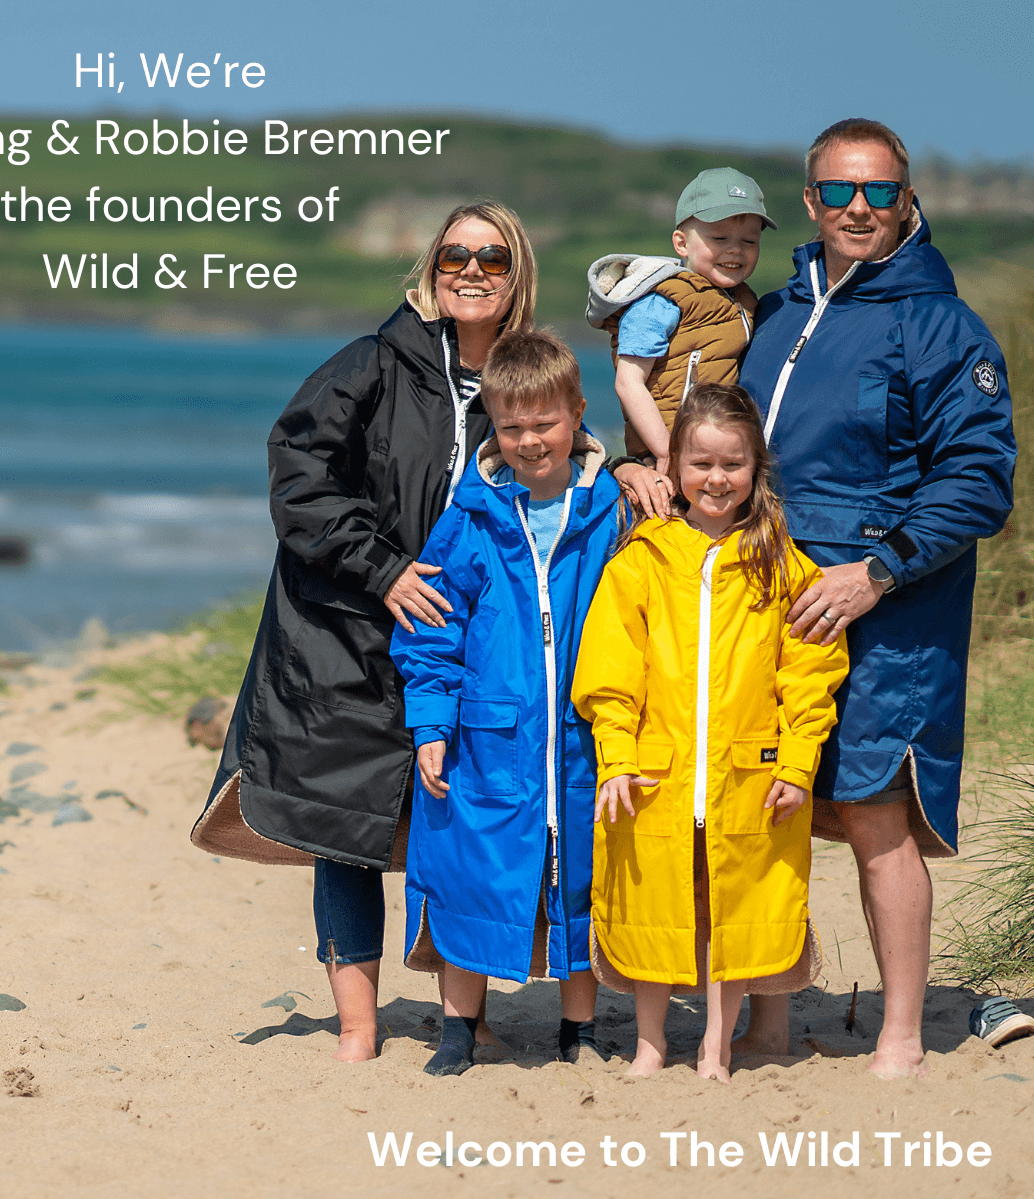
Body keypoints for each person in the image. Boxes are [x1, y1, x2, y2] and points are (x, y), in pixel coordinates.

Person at [191, 202, 539, 1062]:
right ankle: (357, 1027)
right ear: (429, 269)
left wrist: (632, 471)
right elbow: (299, 478)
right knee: (341, 828)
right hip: (342, 629)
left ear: (516, 275)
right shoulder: (370, 366)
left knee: (462, 822)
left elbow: (562, 470)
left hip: (467, 640)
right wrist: (384, 572)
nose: (471, 269)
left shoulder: (528, 381)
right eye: (455, 253)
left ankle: (468, 1014)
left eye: (491, 257)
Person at [735, 118, 1016, 1077]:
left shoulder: (943, 324)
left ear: (907, 200)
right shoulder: (774, 311)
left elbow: (979, 480)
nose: (861, 208)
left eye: (880, 192)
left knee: (872, 810)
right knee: (773, 804)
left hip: (890, 608)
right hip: (769, 601)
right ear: (811, 201)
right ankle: (770, 1022)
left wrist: (877, 573)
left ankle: (901, 1032)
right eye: (841, 192)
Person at [572, 383, 849, 1081]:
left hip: (748, 775)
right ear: (675, 469)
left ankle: (716, 1047)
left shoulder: (783, 565)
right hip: (654, 775)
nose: (717, 479)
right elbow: (610, 675)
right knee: (655, 904)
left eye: (733, 464)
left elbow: (810, 674)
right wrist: (617, 759)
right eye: (700, 464)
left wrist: (795, 763)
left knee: (735, 903)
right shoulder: (642, 560)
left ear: (756, 468)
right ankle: (651, 1043)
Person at [391, 328, 621, 1076]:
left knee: (580, 873)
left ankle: (578, 1030)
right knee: (471, 872)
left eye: (544, 424)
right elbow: (433, 629)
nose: (528, 441)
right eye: (511, 427)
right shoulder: (472, 517)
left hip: (586, 736)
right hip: (487, 738)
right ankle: (459, 1027)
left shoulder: (612, 510)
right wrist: (430, 723)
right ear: (492, 425)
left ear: (577, 414)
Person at [585, 167, 774, 477]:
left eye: (749, 241)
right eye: (719, 237)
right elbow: (629, 382)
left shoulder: (745, 302)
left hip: (718, 460)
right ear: (681, 243)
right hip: (668, 458)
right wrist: (666, 450)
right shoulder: (662, 301)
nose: (735, 250)